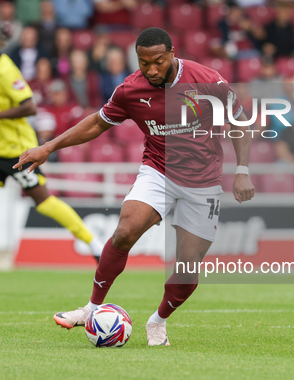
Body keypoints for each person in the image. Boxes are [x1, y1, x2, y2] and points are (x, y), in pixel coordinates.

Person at [13, 27, 255, 346]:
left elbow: (240, 121)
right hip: (158, 171)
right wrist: (49, 147)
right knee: (125, 231)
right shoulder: (130, 89)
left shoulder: (206, 79)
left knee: (187, 267)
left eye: (158, 62)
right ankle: (92, 307)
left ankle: (158, 322)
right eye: (144, 63)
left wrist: (242, 169)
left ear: (172, 54)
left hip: (203, 181)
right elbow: (98, 123)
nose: (151, 70)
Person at [0, 20, 103, 292]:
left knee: (45, 202)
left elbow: (29, 106)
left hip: (18, 151)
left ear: (1, 43)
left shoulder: (6, 69)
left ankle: (95, 244)